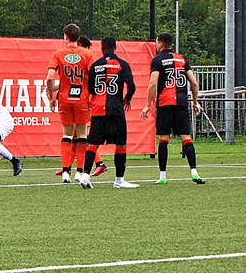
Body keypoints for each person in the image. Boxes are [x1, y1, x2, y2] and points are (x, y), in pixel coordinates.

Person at [139, 32, 205, 185]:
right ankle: (194, 171)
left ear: (160, 43)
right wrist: (195, 101)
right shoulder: (181, 59)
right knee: (186, 138)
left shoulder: (157, 60)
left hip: (165, 102)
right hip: (181, 102)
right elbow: (194, 83)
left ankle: (163, 176)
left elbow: (153, 83)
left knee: (163, 138)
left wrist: (148, 105)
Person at [83, 36, 138, 189]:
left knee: (93, 144)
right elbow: (131, 86)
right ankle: (119, 180)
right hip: (115, 109)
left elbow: (92, 89)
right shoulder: (122, 64)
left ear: (102, 48)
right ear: (115, 47)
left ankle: (85, 175)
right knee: (121, 144)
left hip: (98, 109)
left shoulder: (95, 65)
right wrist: (127, 98)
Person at [46, 23, 94, 186]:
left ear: (66, 36)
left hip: (65, 99)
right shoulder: (87, 54)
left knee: (66, 134)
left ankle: (66, 171)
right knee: (82, 135)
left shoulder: (58, 53)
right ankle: (80, 172)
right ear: (78, 37)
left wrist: (51, 96)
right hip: (82, 98)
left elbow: (50, 77)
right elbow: (93, 76)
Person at [55, 35, 108, 179]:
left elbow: (91, 80)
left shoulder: (87, 58)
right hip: (80, 99)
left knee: (81, 136)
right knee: (77, 136)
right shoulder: (83, 58)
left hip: (84, 100)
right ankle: (69, 167)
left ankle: (96, 163)